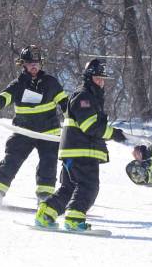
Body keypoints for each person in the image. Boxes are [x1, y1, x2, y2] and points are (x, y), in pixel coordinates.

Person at [34, 58, 127, 231]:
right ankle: (74, 220)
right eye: (97, 78)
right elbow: (89, 125)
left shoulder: (91, 96)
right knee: (88, 186)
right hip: (81, 152)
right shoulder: (84, 96)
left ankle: (45, 214)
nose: (101, 82)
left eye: (102, 79)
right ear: (88, 77)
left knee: (68, 189)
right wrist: (113, 133)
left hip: (77, 152)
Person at [0, 45, 68, 204]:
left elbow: (66, 105)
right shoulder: (18, 84)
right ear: (23, 64)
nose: (33, 66)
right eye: (30, 63)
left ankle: (45, 200)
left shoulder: (51, 83)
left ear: (41, 63)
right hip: (23, 132)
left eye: (36, 63)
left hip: (49, 134)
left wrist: (74, 123)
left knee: (48, 167)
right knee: (11, 161)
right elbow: (4, 97)